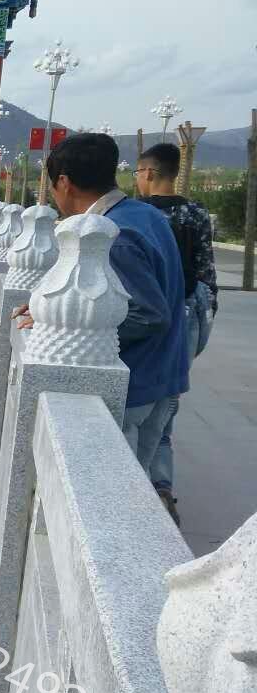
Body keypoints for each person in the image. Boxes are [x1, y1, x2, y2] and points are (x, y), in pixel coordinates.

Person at [22, 134, 188, 486]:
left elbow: (148, 314)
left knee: (109, 487)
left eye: (51, 185)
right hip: (162, 374)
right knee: (136, 481)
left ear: (64, 183)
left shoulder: (113, 235)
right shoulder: (145, 214)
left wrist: (64, 326)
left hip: (135, 384)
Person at [133, 142, 217, 524]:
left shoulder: (141, 215)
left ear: (149, 173)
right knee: (167, 408)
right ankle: (162, 489)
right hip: (189, 318)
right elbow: (206, 275)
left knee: (142, 409)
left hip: (150, 321)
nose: (137, 179)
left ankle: (138, 493)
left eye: (137, 172)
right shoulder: (196, 213)